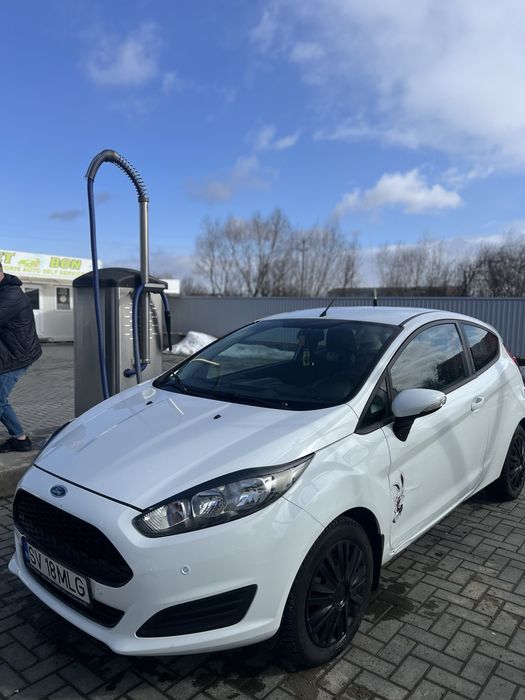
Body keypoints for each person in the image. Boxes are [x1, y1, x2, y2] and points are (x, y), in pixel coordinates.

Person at [0, 262, 42, 452]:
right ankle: (20, 439)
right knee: (1, 399)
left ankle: (20, 439)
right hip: (7, 353)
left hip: (16, 356)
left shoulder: (11, 295)